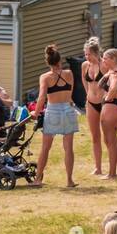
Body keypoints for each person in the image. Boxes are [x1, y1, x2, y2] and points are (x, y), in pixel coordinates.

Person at [28, 44, 79, 189]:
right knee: (68, 148)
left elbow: (42, 97)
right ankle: (69, 180)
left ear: (48, 62)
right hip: (68, 110)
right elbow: (70, 94)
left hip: (53, 111)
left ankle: (38, 179)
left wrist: (35, 113)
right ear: (59, 61)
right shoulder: (69, 74)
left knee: (45, 148)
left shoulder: (45, 77)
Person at [99, 48, 117, 178]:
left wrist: (107, 97)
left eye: (105, 58)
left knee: (110, 142)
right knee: (111, 141)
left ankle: (112, 174)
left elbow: (113, 87)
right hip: (116, 108)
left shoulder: (115, 74)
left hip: (111, 109)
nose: (103, 60)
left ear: (113, 59)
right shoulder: (113, 72)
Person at [81, 37, 106, 175]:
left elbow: (113, 79)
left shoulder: (104, 65)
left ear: (96, 53)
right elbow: (84, 80)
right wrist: (87, 94)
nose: (87, 57)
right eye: (85, 54)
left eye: (89, 54)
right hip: (91, 103)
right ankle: (98, 168)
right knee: (95, 136)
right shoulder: (85, 65)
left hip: (104, 103)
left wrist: (107, 96)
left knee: (110, 136)